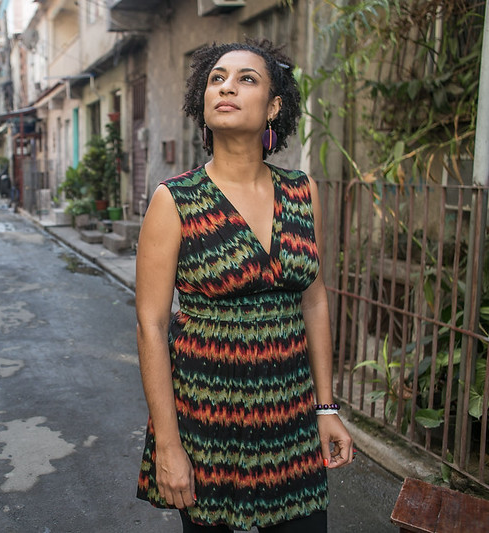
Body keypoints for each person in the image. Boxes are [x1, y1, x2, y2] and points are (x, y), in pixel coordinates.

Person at [135, 39, 353, 533]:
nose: (227, 86)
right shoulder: (175, 200)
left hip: (291, 419)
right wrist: (168, 445)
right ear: (203, 102)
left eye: (246, 78)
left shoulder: (303, 192)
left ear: (274, 106)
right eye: (217, 78)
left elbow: (314, 300)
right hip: (207, 420)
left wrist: (326, 406)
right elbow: (151, 324)